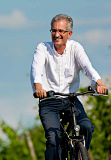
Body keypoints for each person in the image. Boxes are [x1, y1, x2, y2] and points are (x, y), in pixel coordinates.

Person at [30, 14, 107, 160]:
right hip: (49, 100)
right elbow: (37, 70)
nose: (56, 34)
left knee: (86, 127)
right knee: (53, 141)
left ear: (69, 34)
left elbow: (87, 67)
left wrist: (99, 83)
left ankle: (79, 155)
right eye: (53, 31)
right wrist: (39, 87)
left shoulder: (75, 48)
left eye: (60, 31)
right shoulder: (43, 48)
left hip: (70, 100)